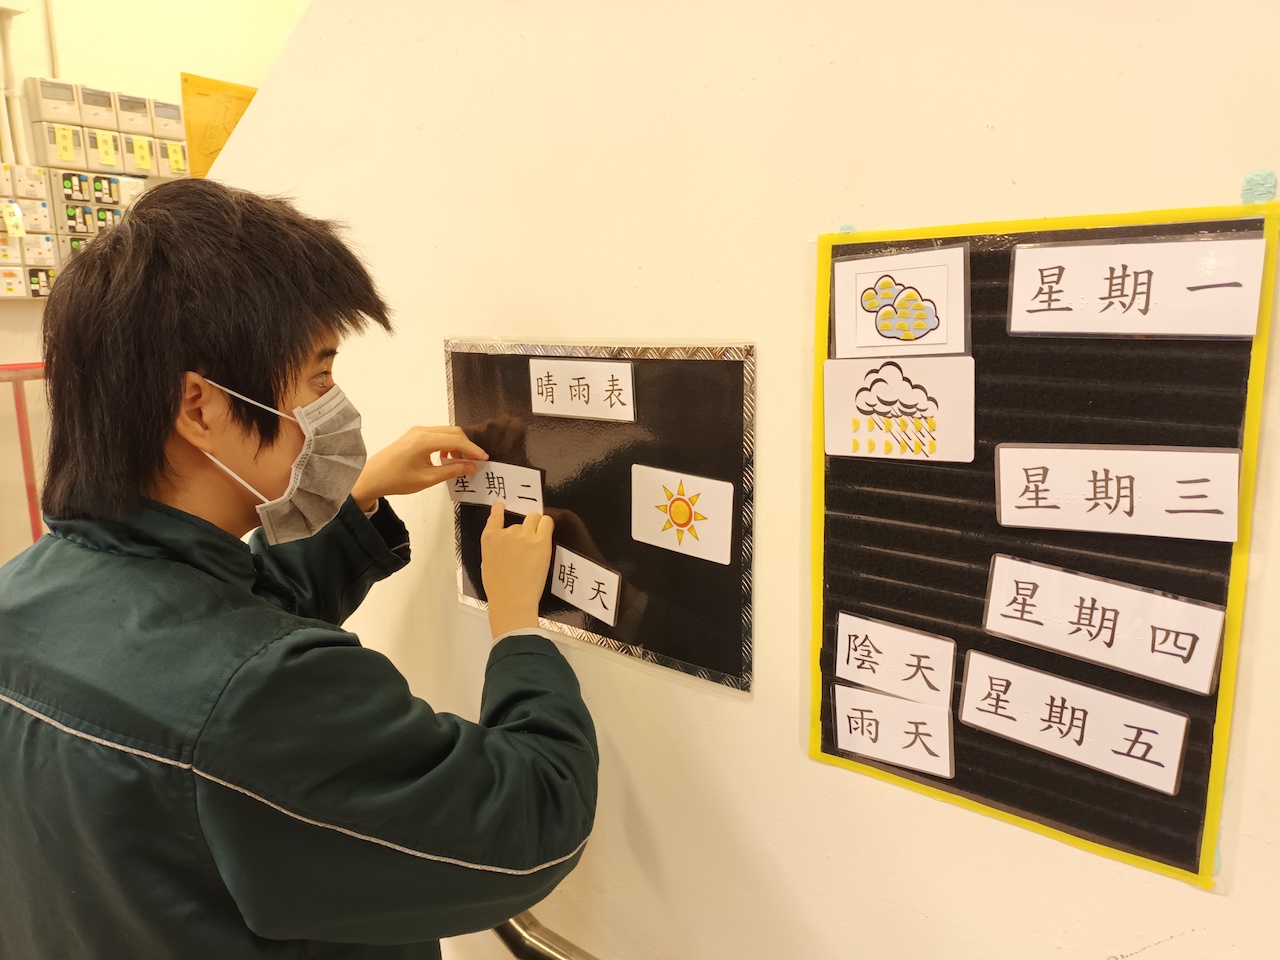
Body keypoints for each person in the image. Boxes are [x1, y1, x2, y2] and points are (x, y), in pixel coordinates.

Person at [0, 179, 598, 959]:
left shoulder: (24, 594)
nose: (335, 406)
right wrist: (519, 630)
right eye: (319, 379)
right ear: (201, 409)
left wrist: (358, 495)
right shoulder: (257, 696)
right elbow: (532, 824)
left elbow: (207, 633)